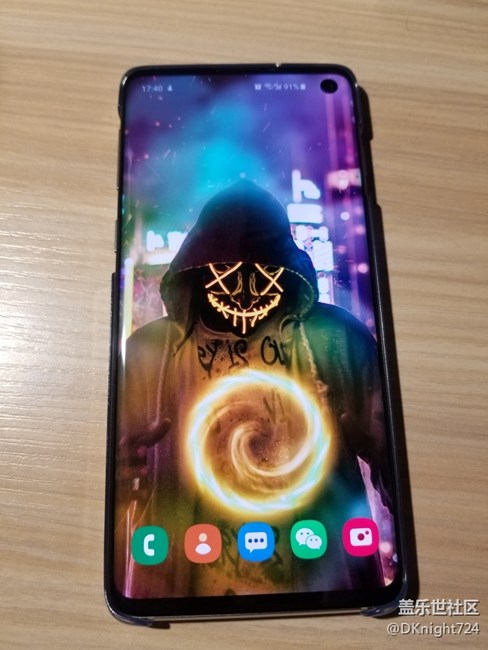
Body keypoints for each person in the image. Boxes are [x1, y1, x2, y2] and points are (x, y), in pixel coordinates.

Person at [115, 180, 392, 598]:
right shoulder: (148, 354)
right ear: (198, 269)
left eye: (259, 272)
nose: (244, 289)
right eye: (227, 272)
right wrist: (117, 482)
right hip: (180, 585)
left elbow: (401, 478)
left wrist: (390, 463)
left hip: (322, 582)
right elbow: (112, 487)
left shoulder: (338, 341)